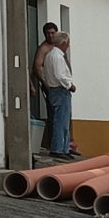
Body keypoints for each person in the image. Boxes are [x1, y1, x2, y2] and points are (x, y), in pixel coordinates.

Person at [35, 25, 76, 158]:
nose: (68, 46)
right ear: (63, 43)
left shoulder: (51, 55)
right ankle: (58, 149)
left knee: (62, 121)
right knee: (61, 121)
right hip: (60, 90)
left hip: (54, 90)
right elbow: (59, 75)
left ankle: (64, 149)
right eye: (68, 43)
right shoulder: (57, 56)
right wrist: (69, 85)